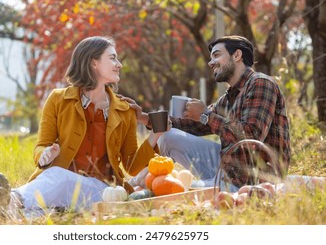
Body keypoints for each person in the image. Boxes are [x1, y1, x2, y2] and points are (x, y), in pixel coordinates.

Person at [0, 36, 168, 221]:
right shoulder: (58, 100)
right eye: (113, 58)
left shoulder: (124, 110)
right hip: (58, 187)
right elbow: (41, 145)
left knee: (58, 177)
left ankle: (7, 200)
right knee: (41, 204)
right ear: (93, 63)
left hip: (102, 191)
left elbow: (131, 165)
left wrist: (156, 134)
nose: (119, 65)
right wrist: (44, 155)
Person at [124, 35, 291, 192]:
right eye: (211, 58)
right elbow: (193, 126)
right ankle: (134, 185)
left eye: (216, 55)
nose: (211, 63)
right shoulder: (229, 97)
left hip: (253, 178)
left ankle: (143, 188)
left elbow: (251, 138)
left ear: (237, 55)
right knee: (168, 137)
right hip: (227, 169)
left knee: (177, 190)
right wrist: (143, 117)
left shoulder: (261, 83)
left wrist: (205, 115)